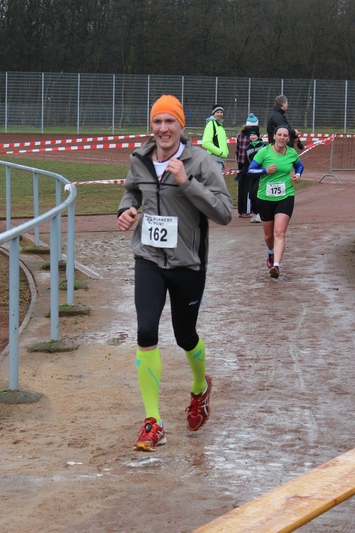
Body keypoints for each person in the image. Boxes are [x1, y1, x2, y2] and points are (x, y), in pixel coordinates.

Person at [117, 95, 233, 452]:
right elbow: (131, 193)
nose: (163, 129)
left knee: (185, 336)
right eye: (158, 121)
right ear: (151, 125)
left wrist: (186, 181)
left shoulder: (200, 161)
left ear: (181, 126)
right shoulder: (139, 159)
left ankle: (200, 387)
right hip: (149, 258)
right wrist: (126, 210)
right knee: (145, 331)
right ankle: (153, 423)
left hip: (188, 263)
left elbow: (224, 212)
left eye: (170, 122)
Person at [246, 125, 304, 278]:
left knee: (279, 232)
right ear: (274, 137)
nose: (282, 138)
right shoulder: (264, 152)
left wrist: (298, 174)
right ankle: (270, 253)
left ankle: (276, 266)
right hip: (265, 198)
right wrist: (265, 170)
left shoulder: (291, 153)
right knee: (268, 235)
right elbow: (250, 171)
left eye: (285, 135)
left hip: (285, 196)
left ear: (288, 138)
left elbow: (299, 165)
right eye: (280, 135)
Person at [235, 113, 259, 218]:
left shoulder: (240, 135)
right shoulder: (252, 136)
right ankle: (247, 210)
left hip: (240, 163)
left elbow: (237, 150)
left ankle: (241, 210)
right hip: (250, 164)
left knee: (241, 187)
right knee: (249, 188)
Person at [242, 124, 267, 224]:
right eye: (251, 135)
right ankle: (255, 213)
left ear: (258, 135)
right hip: (252, 175)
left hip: (261, 174)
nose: (252, 137)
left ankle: (261, 213)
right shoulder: (248, 148)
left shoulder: (264, 146)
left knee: (257, 192)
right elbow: (246, 163)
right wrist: (242, 173)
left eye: (254, 135)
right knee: (251, 194)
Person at [201, 105, 229, 172]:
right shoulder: (211, 124)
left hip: (218, 160)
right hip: (214, 160)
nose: (219, 114)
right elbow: (206, 143)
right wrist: (221, 153)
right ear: (213, 113)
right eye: (217, 112)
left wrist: (223, 159)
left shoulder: (219, 125)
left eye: (221, 112)